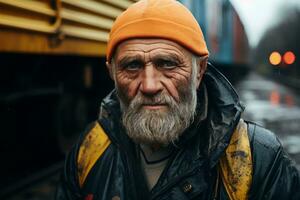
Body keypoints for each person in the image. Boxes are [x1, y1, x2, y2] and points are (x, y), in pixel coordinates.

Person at [56, 0, 300, 199]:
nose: (150, 85)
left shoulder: (260, 160)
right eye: (132, 66)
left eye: (167, 64)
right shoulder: (87, 153)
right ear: (112, 73)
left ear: (199, 71)